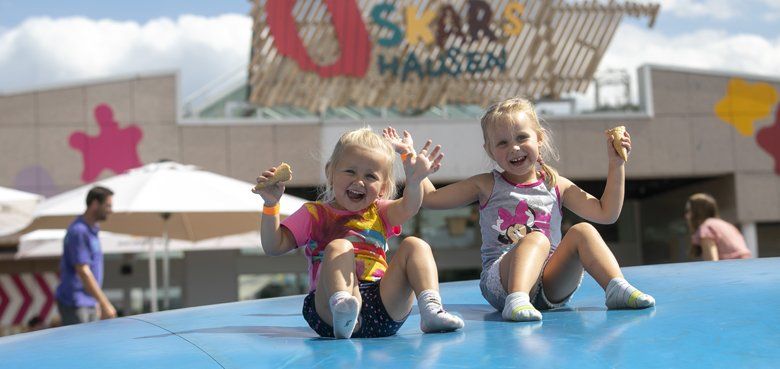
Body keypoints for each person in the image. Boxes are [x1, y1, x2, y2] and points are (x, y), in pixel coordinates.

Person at [383, 97, 655, 322]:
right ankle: (517, 300)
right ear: (490, 150)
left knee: (583, 230)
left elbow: (606, 213)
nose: (513, 147)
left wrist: (616, 165)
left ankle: (616, 287)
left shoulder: (555, 184)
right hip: (501, 283)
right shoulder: (486, 184)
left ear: (539, 138)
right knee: (536, 238)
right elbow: (431, 199)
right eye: (502, 143)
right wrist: (411, 161)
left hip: (550, 284)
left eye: (521, 137)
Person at [253, 128, 463, 339]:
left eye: (370, 176)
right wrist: (271, 205)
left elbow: (410, 207)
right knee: (339, 246)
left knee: (416, 245)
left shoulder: (380, 212)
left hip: (382, 308)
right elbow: (274, 246)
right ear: (330, 173)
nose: (359, 181)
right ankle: (343, 306)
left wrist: (414, 181)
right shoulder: (314, 213)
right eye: (350, 172)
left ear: (383, 188)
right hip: (328, 311)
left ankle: (431, 308)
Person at [55, 186, 117, 325]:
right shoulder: (79, 231)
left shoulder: (91, 230)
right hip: (76, 302)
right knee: (81, 345)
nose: (111, 210)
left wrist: (95, 301)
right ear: (95, 204)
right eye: (107, 205)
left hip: (87, 302)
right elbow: (83, 271)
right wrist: (104, 303)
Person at [685, 193, 752, 261]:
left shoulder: (706, 228)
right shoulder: (726, 225)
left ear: (697, 212)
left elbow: (712, 262)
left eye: (689, 210)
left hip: (732, 269)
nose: (686, 215)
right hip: (747, 266)